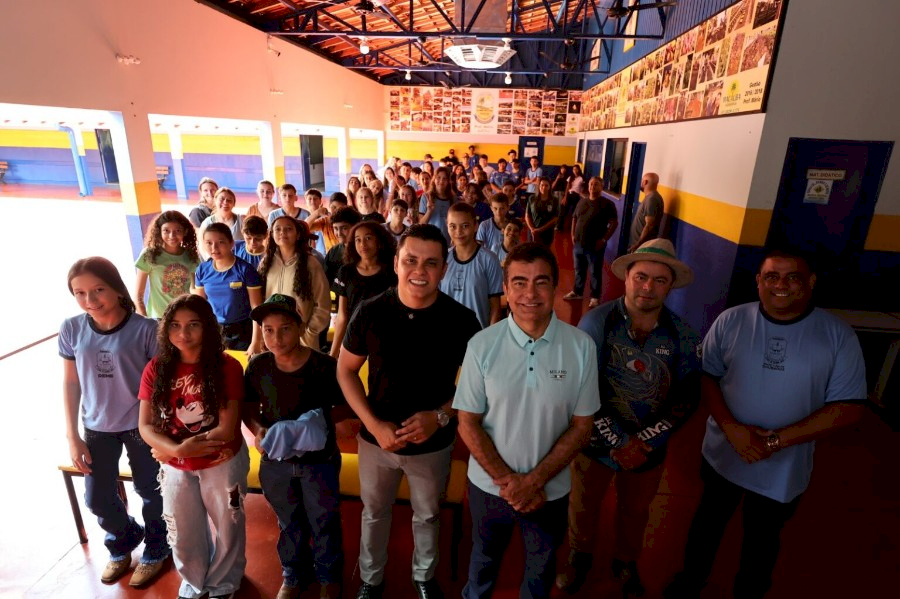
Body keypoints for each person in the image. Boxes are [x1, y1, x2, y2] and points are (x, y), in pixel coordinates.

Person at [665, 250, 867, 599]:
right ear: (758, 281)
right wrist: (731, 428)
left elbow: (848, 407)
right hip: (723, 452)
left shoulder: (837, 336)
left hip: (784, 466)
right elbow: (707, 378)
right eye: (772, 276)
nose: (781, 285)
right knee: (707, 524)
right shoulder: (731, 321)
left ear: (811, 283)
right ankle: (690, 580)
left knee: (763, 537)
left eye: (793, 277)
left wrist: (776, 442)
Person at [336, 224, 482, 599]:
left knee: (428, 515)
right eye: (411, 260)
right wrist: (373, 425)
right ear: (397, 263)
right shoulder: (370, 312)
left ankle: (423, 576)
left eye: (431, 263)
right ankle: (371, 579)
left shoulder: (462, 320)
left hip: (434, 444)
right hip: (376, 442)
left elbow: (479, 386)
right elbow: (346, 371)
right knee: (374, 512)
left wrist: (441, 416)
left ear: (444, 269)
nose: (420, 270)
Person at [454, 243, 600, 599]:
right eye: (519, 283)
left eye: (541, 282)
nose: (530, 294)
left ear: (555, 287)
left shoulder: (582, 347)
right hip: (489, 489)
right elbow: (467, 423)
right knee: (483, 563)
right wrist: (510, 483)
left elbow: (583, 427)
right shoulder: (481, 345)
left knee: (541, 569)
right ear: (505, 290)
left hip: (549, 491)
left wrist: (534, 481)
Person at [557, 239, 702, 596]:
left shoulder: (683, 335)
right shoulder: (597, 322)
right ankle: (580, 555)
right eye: (641, 277)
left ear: (670, 285)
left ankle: (625, 561)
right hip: (594, 441)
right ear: (626, 278)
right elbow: (582, 387)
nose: (648, 287)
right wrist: (619, 440)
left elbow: (686, 397)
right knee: (583, 504)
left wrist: (645, 442)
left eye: (659, 280)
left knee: (636, 510)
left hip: (649, 449)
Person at [61, 257, 169, 587]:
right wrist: (72, 436)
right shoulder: (72, 328)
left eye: (98, 290)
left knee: (151, 491)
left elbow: (160, 385)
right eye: (79, 293)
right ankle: (123, 541)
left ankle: (156, 547)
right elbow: (71, 382)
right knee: (96, 496)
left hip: (141, 426)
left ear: (117, 289)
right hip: (95, 428)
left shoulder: (147, 329)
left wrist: (160, 431)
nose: (90, 300)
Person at [138, 294, 249, 599]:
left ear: (208, 327)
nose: (183, 334)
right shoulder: (156, 368)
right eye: (174, 325)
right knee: (183, 529)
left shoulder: (226, 366)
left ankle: (224, 583)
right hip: (174, 465)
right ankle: (195, 582)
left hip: (221, 462)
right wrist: (174, 452)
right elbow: (145, 425)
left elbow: (226, 429)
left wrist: (177, 448)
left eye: (193, 325)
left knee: (229, 524)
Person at [244, 294, 345, 599]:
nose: (276, 337)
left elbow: (344, 408)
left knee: (324, 517)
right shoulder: (259, 366)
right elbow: (248, 407)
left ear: (301, 327)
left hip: (319, 460)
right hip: (276, 462)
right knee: (288, 520)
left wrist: (312, 425)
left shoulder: (325, 366)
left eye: (285, 328)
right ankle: (293, 572)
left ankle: (329, 574)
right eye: (268, 330)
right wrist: (260, 430)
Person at [257, 215, 331, 351]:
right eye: (277, 229)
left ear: (297, 235)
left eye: (288, 229)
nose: (282, 232)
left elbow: (323, 304)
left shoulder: (310, 263)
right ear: (272, 234)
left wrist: (308, 332)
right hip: (272, 339)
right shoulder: (265, 263)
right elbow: (259, 300)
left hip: (302, 341)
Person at [331, 221, 398, 359]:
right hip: (353, 339)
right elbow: (342, 315)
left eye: (368, 238)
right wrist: (333, 353)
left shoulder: (392, 273)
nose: (363, 244)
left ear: (380, 241)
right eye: (358, 240)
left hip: (383, 342)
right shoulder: (346, 272)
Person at [193, 223, 263, 351]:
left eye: (221, 242)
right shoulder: (202, 270)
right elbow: (200, 307)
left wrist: (256, 341)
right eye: (209, 243)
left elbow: (257, 308)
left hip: (243, 332)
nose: (214, 248)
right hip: (215, 330)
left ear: (232, 243)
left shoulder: (246, 270)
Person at [441, 203, 503, 329]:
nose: (458, 232)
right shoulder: (442, 259)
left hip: (478, 336)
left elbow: (495, 307)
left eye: (465, 226)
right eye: (453, 226)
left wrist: (489, 340)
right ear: (447, 227)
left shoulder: (489, 260)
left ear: (475, 226)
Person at [564, 177, 618, 308]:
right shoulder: (582, 202)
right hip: (578, 243)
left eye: (596, 184)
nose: (593, 186)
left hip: (595, 245)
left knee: (595, 272)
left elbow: (614, 223)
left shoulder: (607, 204)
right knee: (579, 270)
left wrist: (604, 239)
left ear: (601, 187)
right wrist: (572, 234)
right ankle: (577, 291)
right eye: (591, 184)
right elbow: (575, 218)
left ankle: (595, 297)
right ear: (588, 186)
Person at [134, 210, 200, 318]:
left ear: (185, 231)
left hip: (184, 316)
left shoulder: (191, 256)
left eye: (177, 230)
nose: (172, 235)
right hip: (159, 318)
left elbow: (194, 289)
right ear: (159, 231)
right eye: (166, 230)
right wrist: (145, 321)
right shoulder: (150, 254)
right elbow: (138, 296)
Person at [324, 206, 362, 292]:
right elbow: (326, 279)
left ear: (355, 227)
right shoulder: (333, 252)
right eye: (336, 228)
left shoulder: (364, 250)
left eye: (344, 228)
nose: (339, 233)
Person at [628, 172, 665, 252]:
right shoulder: (651, 197)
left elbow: (649, 225)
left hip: (642, 247)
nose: (641, 183)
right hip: (640, 246)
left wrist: (638, 243)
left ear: (645, 182)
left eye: (642, 181)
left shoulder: (652, 199)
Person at [418, 166, 455, 244]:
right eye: (438, 178)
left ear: (448, 181)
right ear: (434, 179)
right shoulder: (426, 197)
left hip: (448, 242)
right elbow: (421, 225)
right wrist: (429, 211)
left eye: (444, 178)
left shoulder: (453, 199)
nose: (441, 181)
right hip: (430, 241)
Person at [525, 177, 559, 247]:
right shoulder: (532, 198)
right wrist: (532, 229)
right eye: (542, 185)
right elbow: (527, 215)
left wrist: (541, 229)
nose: (544, 187)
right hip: (533, 232)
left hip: (547, 233)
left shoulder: (554, 200)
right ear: (539, 186)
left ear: (550, 187)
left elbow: (555, 218)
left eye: (546, 185)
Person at [476, 192, 510, 257]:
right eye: (495, 208)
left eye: (502, 208)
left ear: (508, 208)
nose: (498, 212)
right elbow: (479, 248)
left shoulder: (511, 226)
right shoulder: (484, 225)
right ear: (491, 208)